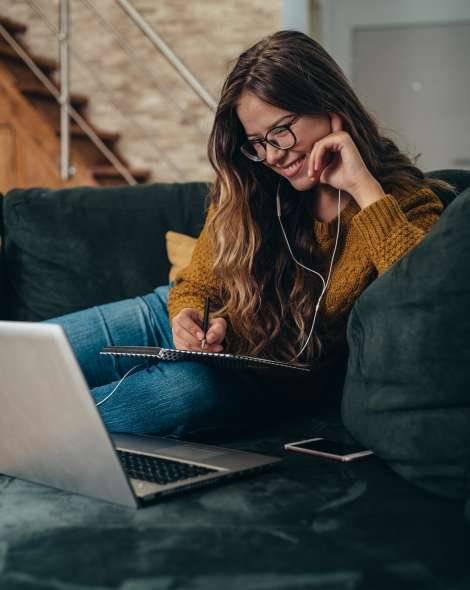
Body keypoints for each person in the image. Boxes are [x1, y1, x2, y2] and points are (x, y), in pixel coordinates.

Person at [45, 30, 450, 437]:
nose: (273, 155)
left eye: (282, 131)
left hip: (245, 380)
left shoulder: (406, 203)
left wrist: (363, 189)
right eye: (257, 142)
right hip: (163, 322)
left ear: (331, 109)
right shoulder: (250, 185)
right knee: (32, 356)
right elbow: (197, 283)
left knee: (82, 423)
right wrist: (186, 318)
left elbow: (425, 304)